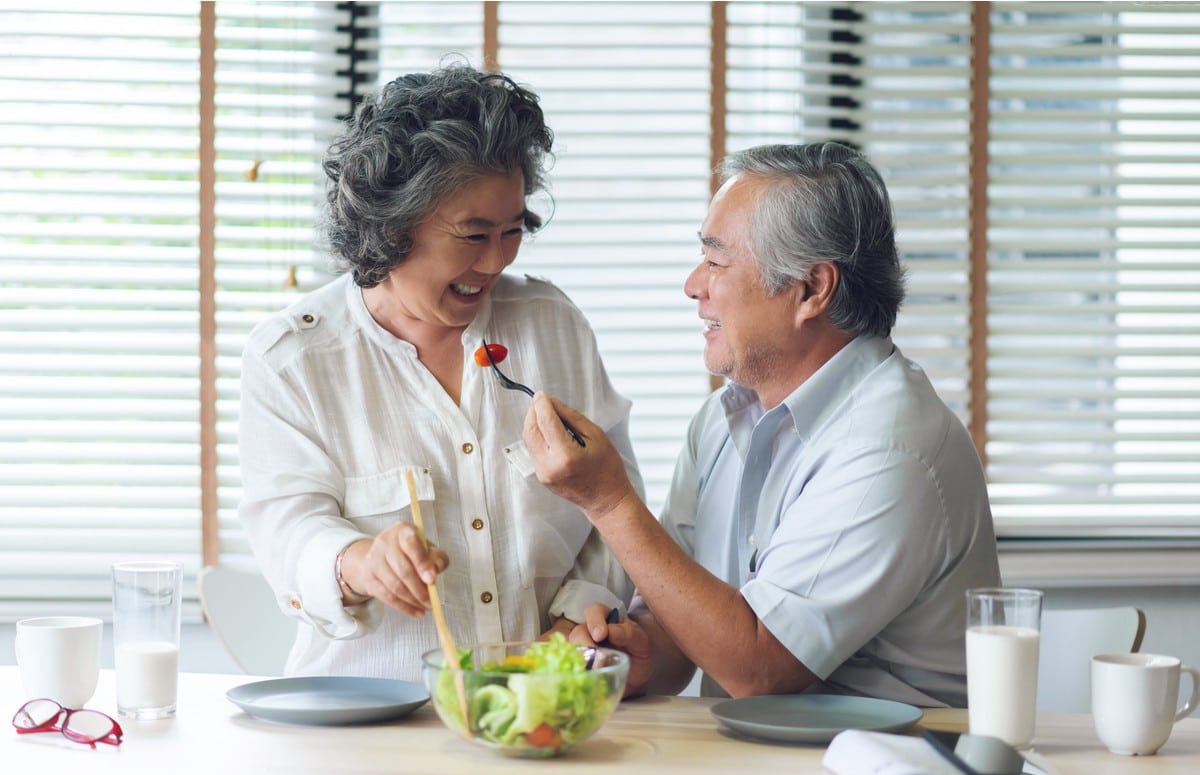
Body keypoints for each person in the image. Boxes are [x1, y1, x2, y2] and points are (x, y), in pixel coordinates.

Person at [522, 142, 1001, 706]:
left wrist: (607, 502)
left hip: (886, 770)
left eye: (717, 261)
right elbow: (687, 631)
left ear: (811, 289)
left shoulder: (891, 448)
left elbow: (760, 668)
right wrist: (640, 654)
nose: (693, 285)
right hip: (756, 761)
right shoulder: (722, 422)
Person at [238, 64, 641, 682]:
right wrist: (359, 562)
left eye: (512, 231)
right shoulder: (293, 360)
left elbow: (615, 508)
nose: (496, 259)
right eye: (473, 234)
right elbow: (288, 532)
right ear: (393, 225)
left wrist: (569, 623)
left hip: (539, 712)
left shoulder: (551, 326)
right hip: (369, 732)